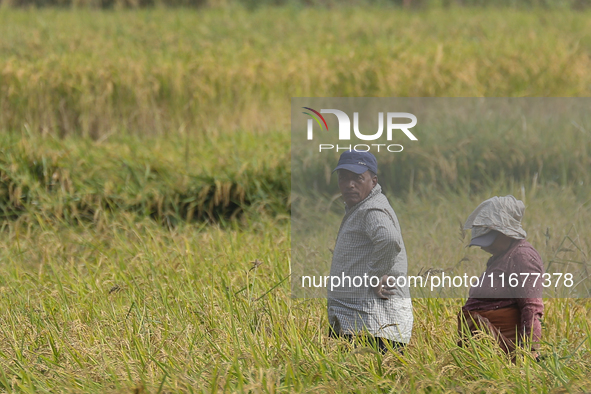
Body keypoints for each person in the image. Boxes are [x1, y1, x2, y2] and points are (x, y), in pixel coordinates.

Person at [327, 150, 413, 354]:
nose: (349, 184)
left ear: (373, 181)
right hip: (363, 322)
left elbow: (389, 239)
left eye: (357, 178)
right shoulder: (361, 207)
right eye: (343, 178)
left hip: (372, 325)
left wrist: (375, 277)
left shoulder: (371, 210)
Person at [458, 195, 544, 360]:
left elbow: (531, 307)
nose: (485, 247)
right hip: (484, 350)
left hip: (502, 351)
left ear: (506, 232)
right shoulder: (502, 255)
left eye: (490, 240)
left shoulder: (522, 256)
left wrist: (530, 350)